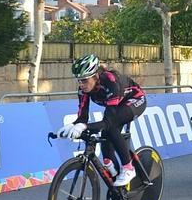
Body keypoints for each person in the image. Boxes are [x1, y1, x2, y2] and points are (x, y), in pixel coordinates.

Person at [57, 54, 147, 186]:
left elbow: (108, 122)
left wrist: (84, 127)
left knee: (111, 126)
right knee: (107, 158)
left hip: (135, 100)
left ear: (95, 76)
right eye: (79, 81)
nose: (81, 84)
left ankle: (128, 168)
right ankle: (118, 184)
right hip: (117, 104)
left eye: (84, 80)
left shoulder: (110, 82)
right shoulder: (84, 89)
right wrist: (71, 126)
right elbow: (82, 117)